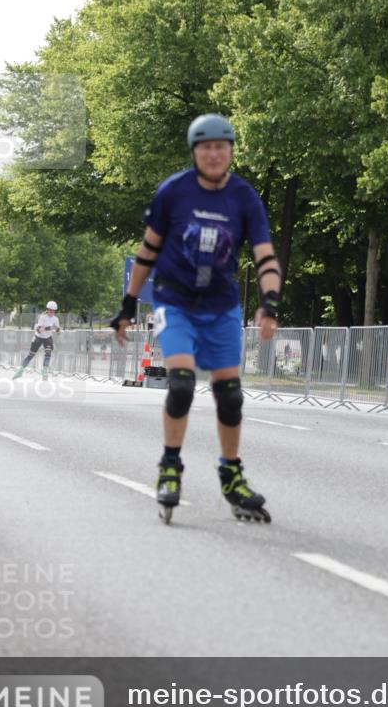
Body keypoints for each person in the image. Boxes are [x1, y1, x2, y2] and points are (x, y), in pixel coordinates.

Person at [111, 113, 281, 523]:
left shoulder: (244, 197)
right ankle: (170, 467)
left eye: (221, 146)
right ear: (194, 152)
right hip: (176, 303)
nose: (213, 153)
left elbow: (264, 255)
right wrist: (129, 304)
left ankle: (231, 474)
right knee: (182, 385)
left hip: (221, 307)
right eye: (205, 147)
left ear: (231, 151)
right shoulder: (174, 192)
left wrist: (270, 302)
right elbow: (148, 250)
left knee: (231, 395)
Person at [13, 301, 61, 380]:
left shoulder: (56, 319)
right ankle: (20, 371)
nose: (52, 312)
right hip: (38, 337)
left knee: (48, 352)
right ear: (47, 309)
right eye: (50, 310)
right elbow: (39, 330)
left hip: (48, 338)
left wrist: (58, 330)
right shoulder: (42, 317)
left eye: (53, 311)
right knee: (31, 355)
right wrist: (49, 328)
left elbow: (57, 331)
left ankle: (44, 370)